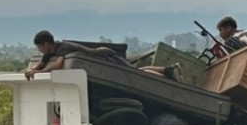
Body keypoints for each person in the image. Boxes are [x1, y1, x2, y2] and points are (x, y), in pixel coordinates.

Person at [25, 30, 179, 80]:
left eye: (39, 46)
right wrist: (30, 71)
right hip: (101, 59)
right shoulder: (50, 52)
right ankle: (165, 71)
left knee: (134, 72)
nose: (39, 50)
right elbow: (42, 64)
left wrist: (37, 72)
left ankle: (166, 73)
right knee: (133, 69)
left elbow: (57, 66)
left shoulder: (62, 48)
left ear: (46, 44)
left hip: (105, 56)